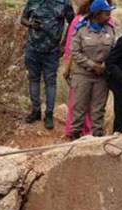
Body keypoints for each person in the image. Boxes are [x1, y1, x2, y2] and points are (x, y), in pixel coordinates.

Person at [20, 0, 75, 129]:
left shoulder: (64, 3)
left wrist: (63, 45)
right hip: (32, 48)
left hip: (52, 51)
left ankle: (49, 114)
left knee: (50, 81)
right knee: (33, 79)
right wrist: (31, 24)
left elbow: (73, 23)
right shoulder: (33, 1)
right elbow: (23, 18)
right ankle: (36, 111)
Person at [69, 0, 115, 138]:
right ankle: (75, 135)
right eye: (106, 14)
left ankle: (97, 137)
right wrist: (92, 65)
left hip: (101, 76)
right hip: (82, 75)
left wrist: (105, 66)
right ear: (97, 15)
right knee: (79, 107)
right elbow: (75, 52)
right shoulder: (81, 29)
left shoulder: (110, 30)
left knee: (98, 109)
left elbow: (114, 51)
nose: (109, 17)